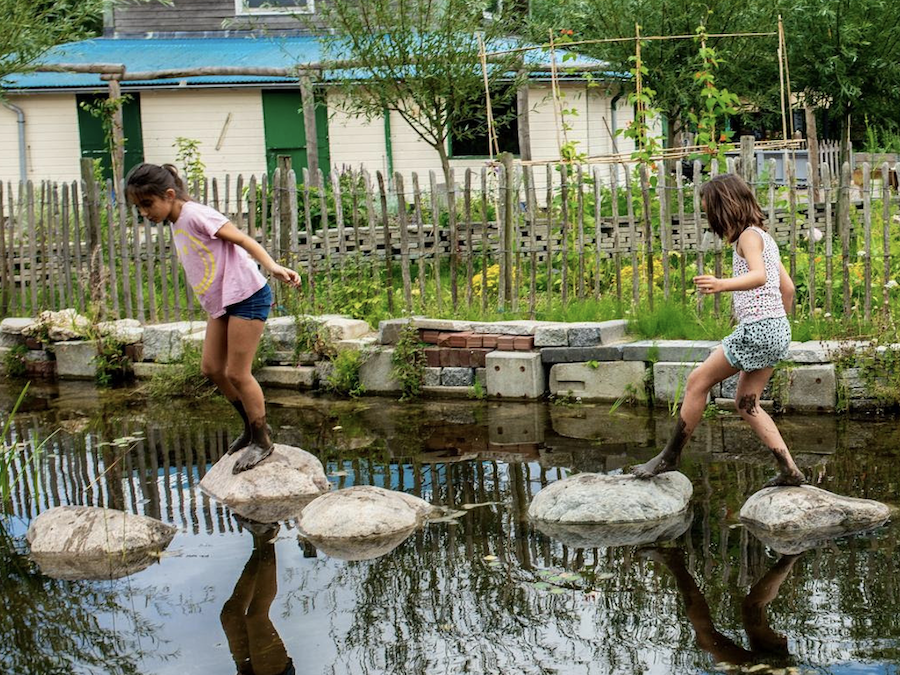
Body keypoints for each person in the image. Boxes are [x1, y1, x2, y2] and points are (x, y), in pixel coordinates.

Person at [126, 163, 301, 474]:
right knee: (211, 369)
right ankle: (249, 426)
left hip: (246, 295)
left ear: (168, 195)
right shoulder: (176, 219)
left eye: (147, 204)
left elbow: (242, 240)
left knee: (237, 373)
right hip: (221, 302)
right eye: (138, 207)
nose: (144, 213)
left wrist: (272, 266)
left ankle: (263, 439)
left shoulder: (195, 214)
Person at [633, 173, 805, 487]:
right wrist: (778, 324)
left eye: (709, 211)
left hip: (759, 329)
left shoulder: (748, 238)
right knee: (746, 403)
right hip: (777, 329)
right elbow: (789, 289)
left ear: (724, 207)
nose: (709, 220)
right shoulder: (765, 238)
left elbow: (759, 277)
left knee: (697, 381)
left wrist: (721, 284)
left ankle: (669, 456)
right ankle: (790, 470)